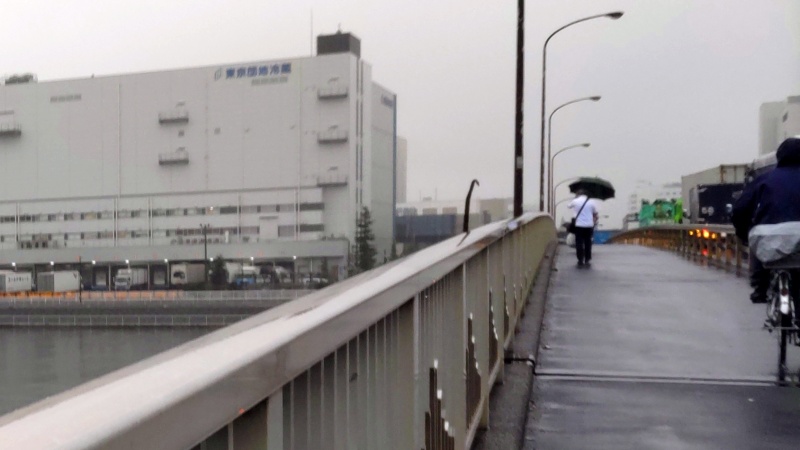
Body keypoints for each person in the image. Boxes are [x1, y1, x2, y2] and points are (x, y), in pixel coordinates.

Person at [732, 137, 800, 304]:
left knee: (758, 241)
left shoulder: (763, 180)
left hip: (768, 234)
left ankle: (759, 288)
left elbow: (740, 210)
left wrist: (743, 234)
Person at [568, 189, 599, 267]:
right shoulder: (592, 202)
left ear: (578, 194)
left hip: (579, 225)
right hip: (589, 225)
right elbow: (595, 213)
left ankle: (580, 259)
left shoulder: (575, 201)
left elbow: (568, 206)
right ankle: (587, 259)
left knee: (579, 243)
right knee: (588, 242)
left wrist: (575, 199)